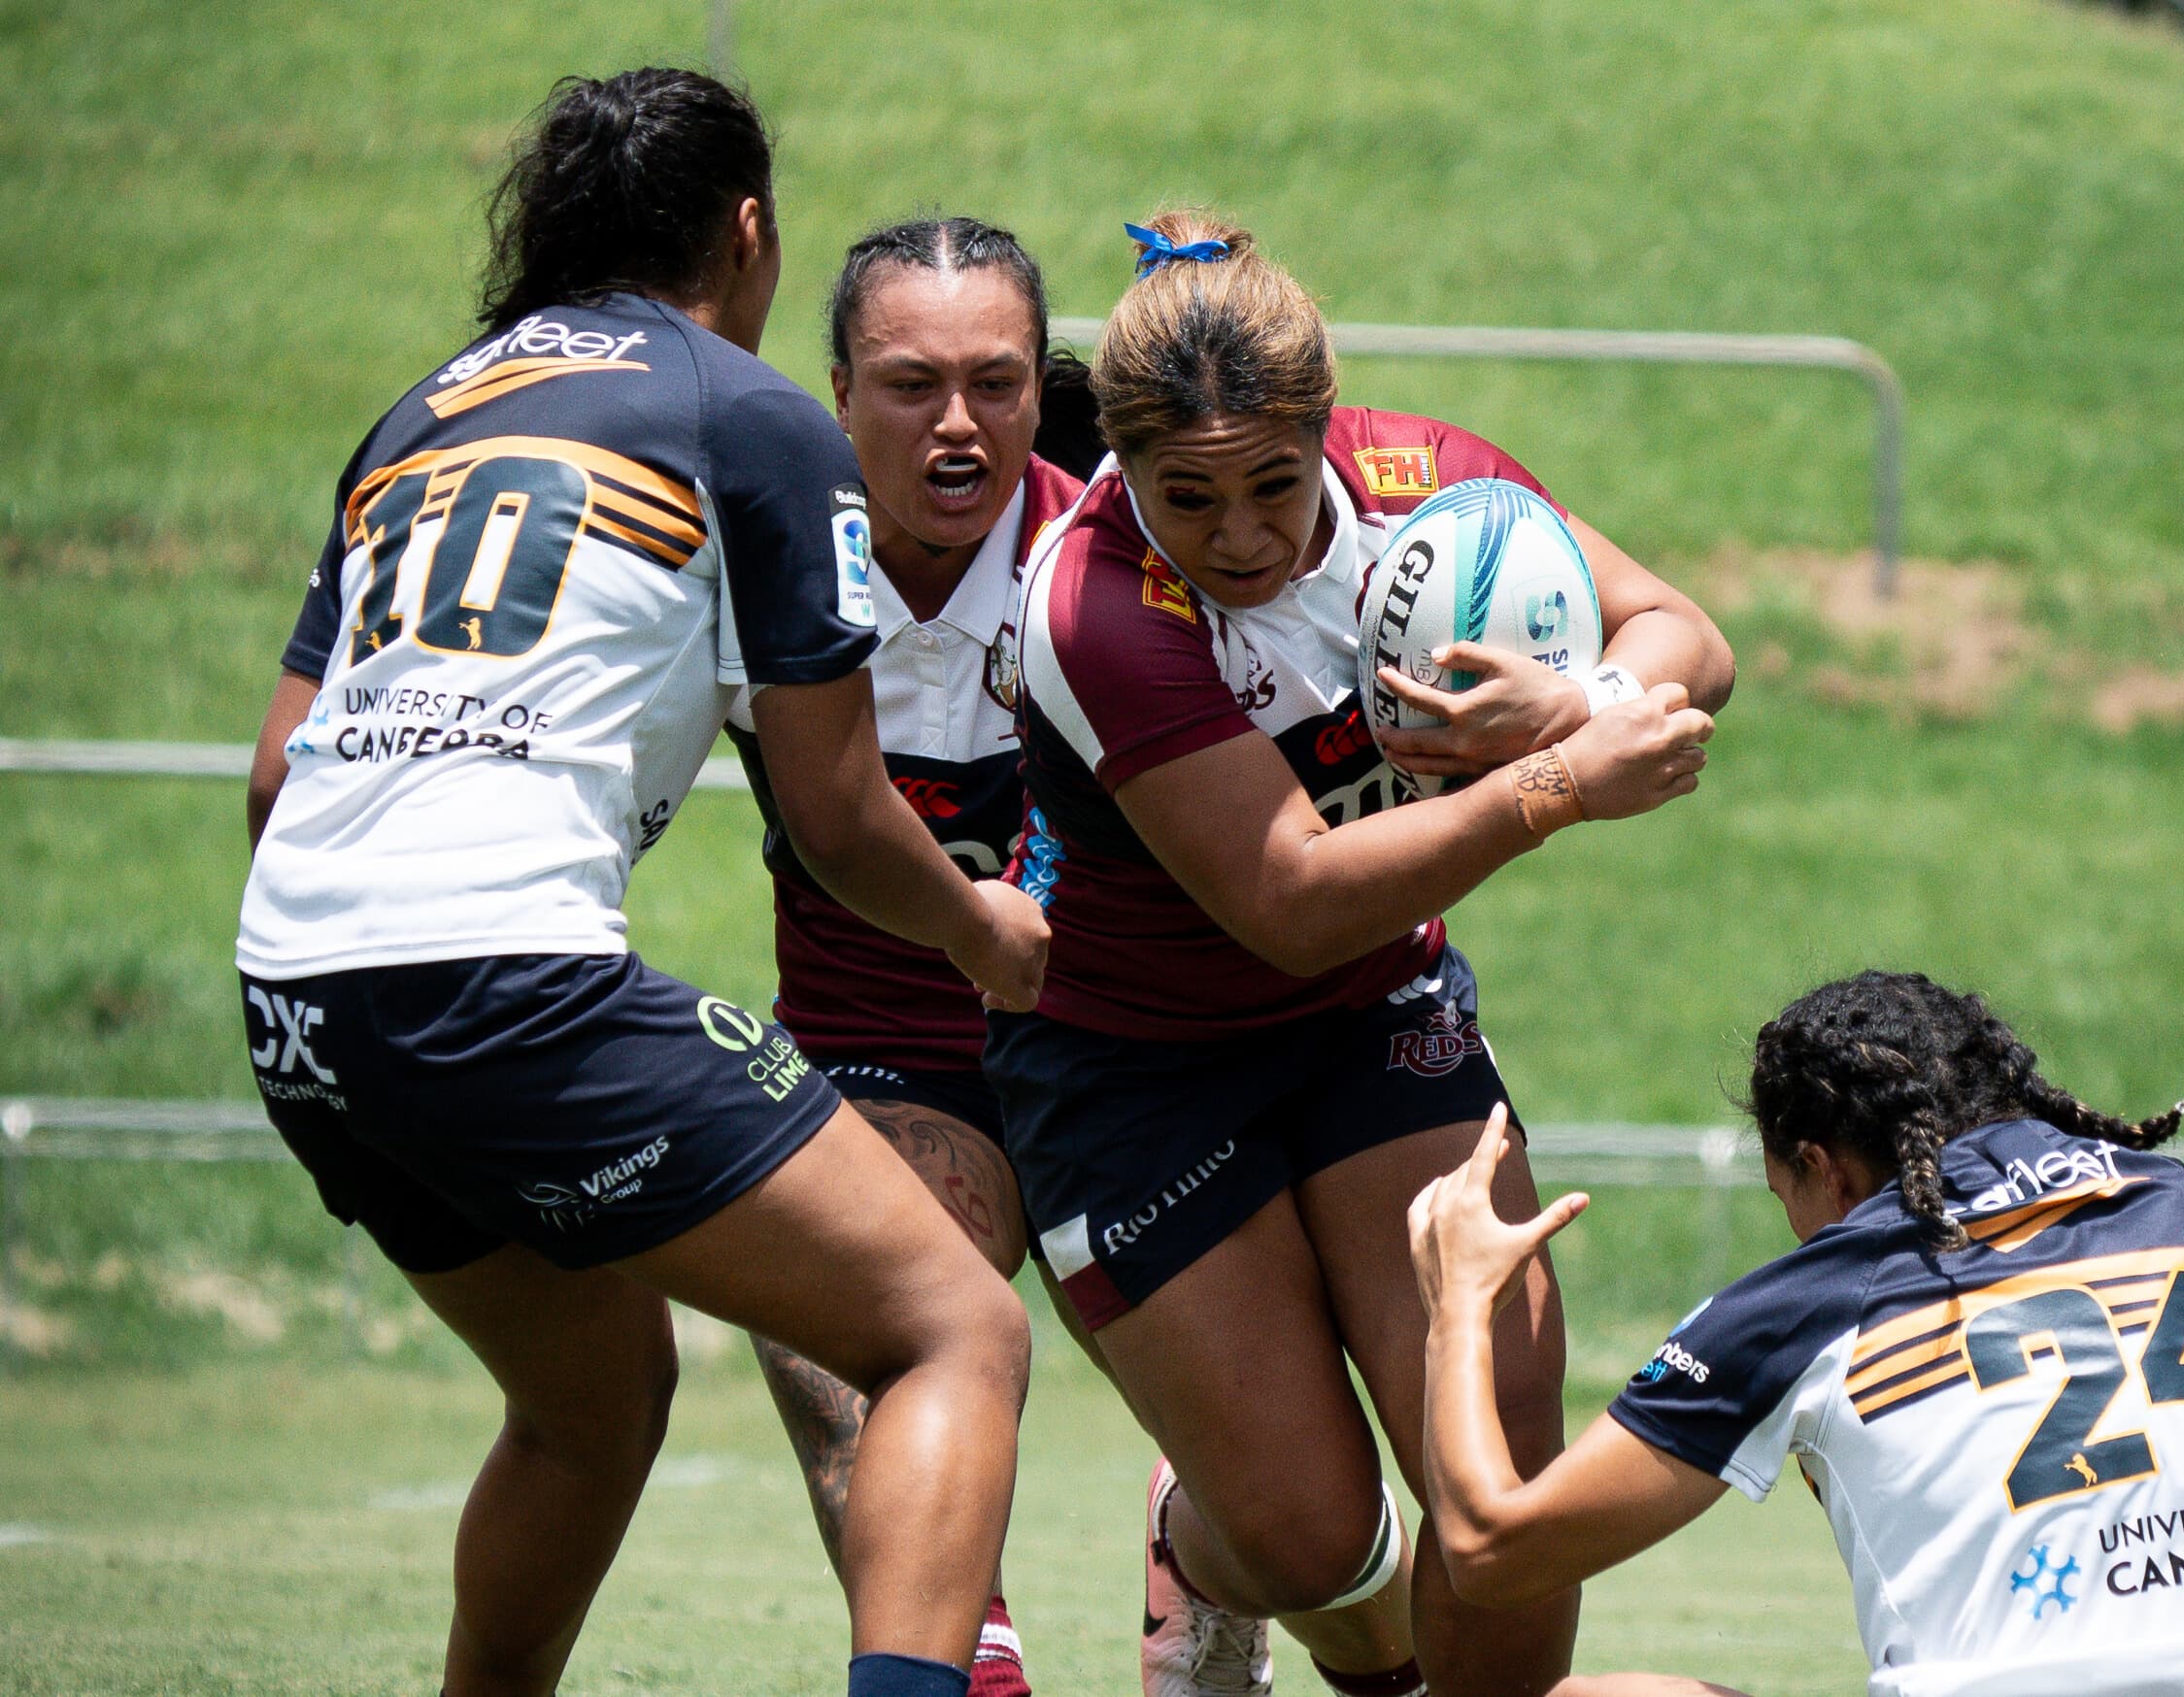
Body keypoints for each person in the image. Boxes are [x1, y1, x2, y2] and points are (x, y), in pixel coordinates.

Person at [235, 70, 1048, 1697]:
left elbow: (277, 773)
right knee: (955, 1324)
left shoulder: (427, 411)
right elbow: (835, 811)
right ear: (747, 232)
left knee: (593, 1401)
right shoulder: (745, 414)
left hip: (299, 994)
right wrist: (980, 926)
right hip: (510, 978)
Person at [991, 210, 1734, 1697]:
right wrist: (1556, 783)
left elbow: (1683, 637)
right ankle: (1199, 1554)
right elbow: (1292, 895)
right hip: (1135, 1072)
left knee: (1503, 1489)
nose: (1245, 537)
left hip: (1374, 1013)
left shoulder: (1430, 486)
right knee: (1316, 1540)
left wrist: (1571, 694)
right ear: (1122, 471)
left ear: (1330, 434)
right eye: (1187, 498)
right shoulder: (1092, 605)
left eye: (1274, 484)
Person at [1405, 971, 2184, 1697]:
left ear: (1821, 1166)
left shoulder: (1823, 1291)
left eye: (1786, 1196)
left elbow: (1492, 1549)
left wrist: (1453, 1307)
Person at [722, 215, 1099, 1697]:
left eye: (997, 383)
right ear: (834, 398)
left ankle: (1205, 1562)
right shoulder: (751, 569)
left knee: (1296, 1523)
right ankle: (966, 1672)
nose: (958, 423)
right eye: (909, 384)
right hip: (873, 1053)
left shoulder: (1120, 550)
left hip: (1123, 1054)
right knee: (861, 1358)